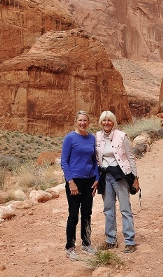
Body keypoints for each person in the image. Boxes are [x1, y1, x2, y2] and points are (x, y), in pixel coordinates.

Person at [95, 110, 139, 254]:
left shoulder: (121, 136)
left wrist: (136, 178)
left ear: (113, 122)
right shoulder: (98, 137)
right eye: (104, 120)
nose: (106, 123)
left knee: (125, 209)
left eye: (109, 120)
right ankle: (110, 240)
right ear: (101, 122)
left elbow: (130, 157)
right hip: (105, 175)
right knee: (108, 210)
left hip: (120, 175)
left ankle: (130, 241)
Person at [60, 110, 99, 261]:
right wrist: (71, 182)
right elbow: (64, 161)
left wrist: (97, 177)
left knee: (87, 214)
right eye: (80, 120)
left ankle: (86, 243)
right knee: (73, 215)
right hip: (74, 182)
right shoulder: (70, 138)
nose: (83, 123)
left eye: (85, 120)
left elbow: (94, 160)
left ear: (89, 122)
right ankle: (70, 247)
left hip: (89, 181)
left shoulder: (91, 138)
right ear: (75, 121)